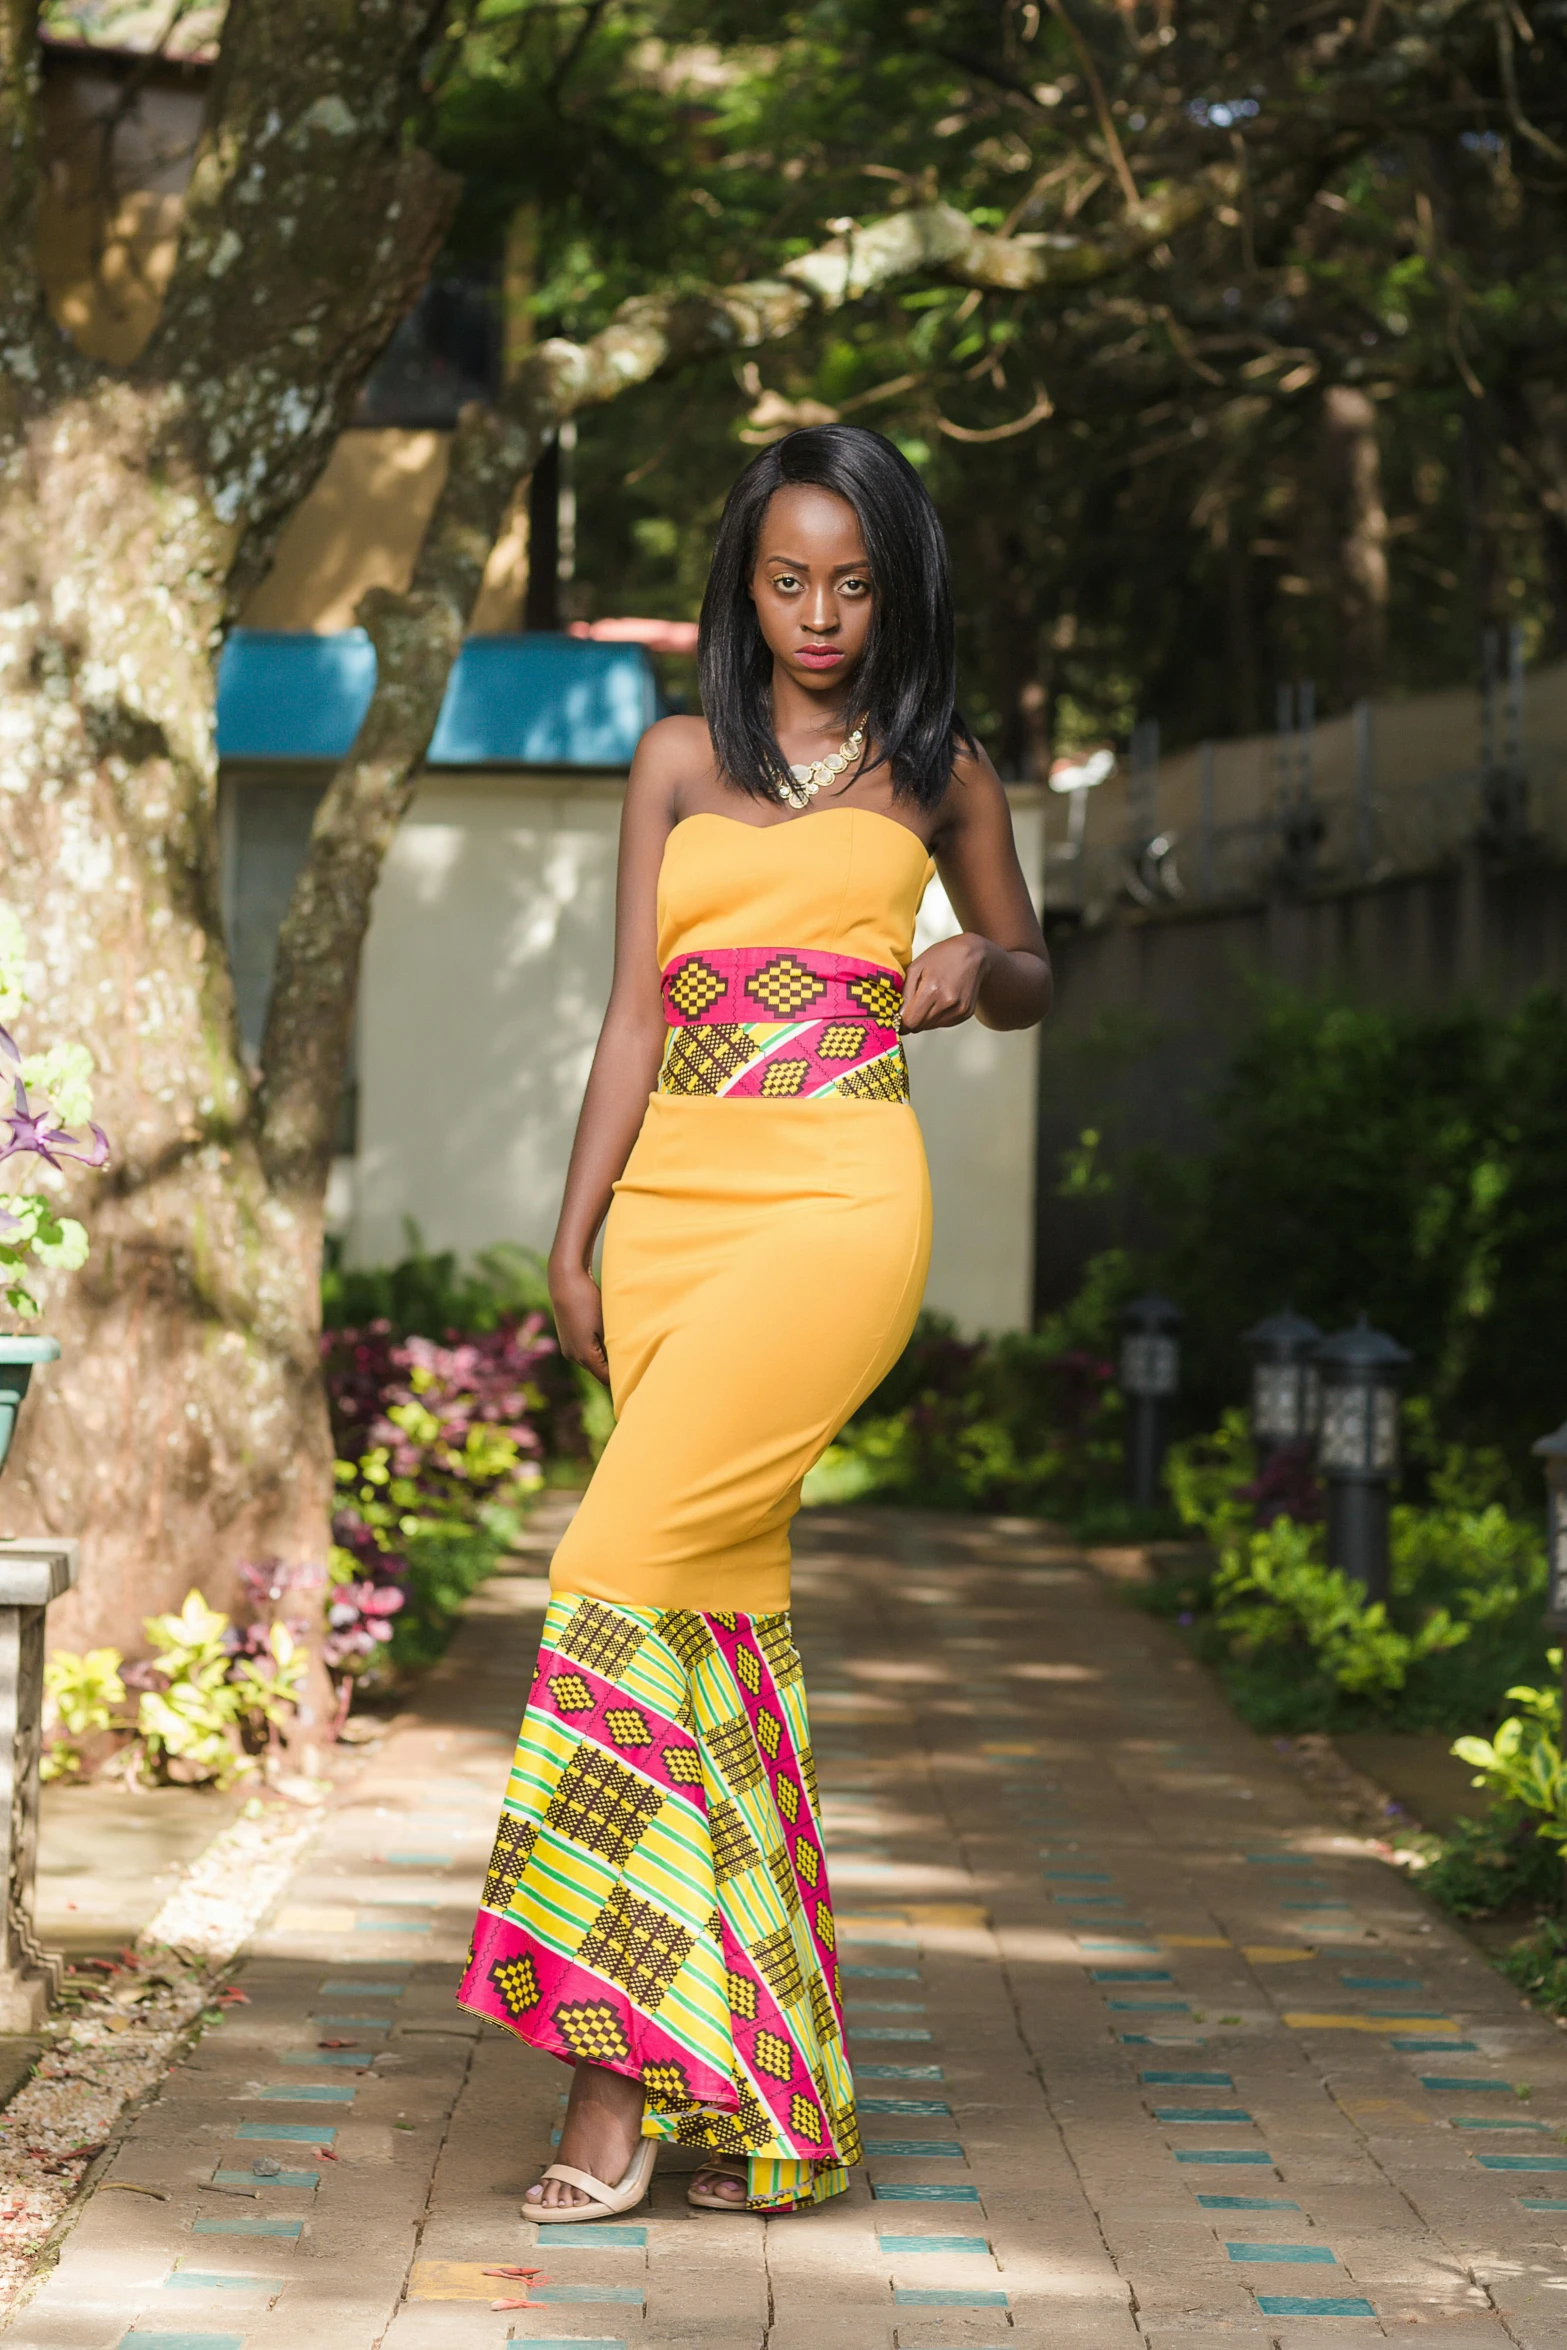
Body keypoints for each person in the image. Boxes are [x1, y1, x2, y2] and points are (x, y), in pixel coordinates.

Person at [458, 424, 1052, 2222]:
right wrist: (572, 1239)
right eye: (787, 577)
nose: (817, 612)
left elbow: (1030, 971)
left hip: (837, 1205)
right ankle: (764, 2102)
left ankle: (605, 2099)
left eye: (851, 581)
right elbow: (633, 1016)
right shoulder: (669, 764)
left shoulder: (940, 774)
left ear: (896, 588)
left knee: (606, 1575)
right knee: (708, 1620)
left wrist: (972, 964)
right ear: (745, 582)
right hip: (672, 1220)